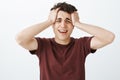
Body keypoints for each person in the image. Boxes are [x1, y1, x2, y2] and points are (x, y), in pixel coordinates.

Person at [15, 2, 115, 80]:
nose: (63, 25)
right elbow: (20, 39)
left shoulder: (81, 45)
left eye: (68, 21)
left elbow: (109, 37)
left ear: (73, 26)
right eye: (58, 20)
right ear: (53, 24)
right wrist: (48, 21)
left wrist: (78, 23)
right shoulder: (43, 45)